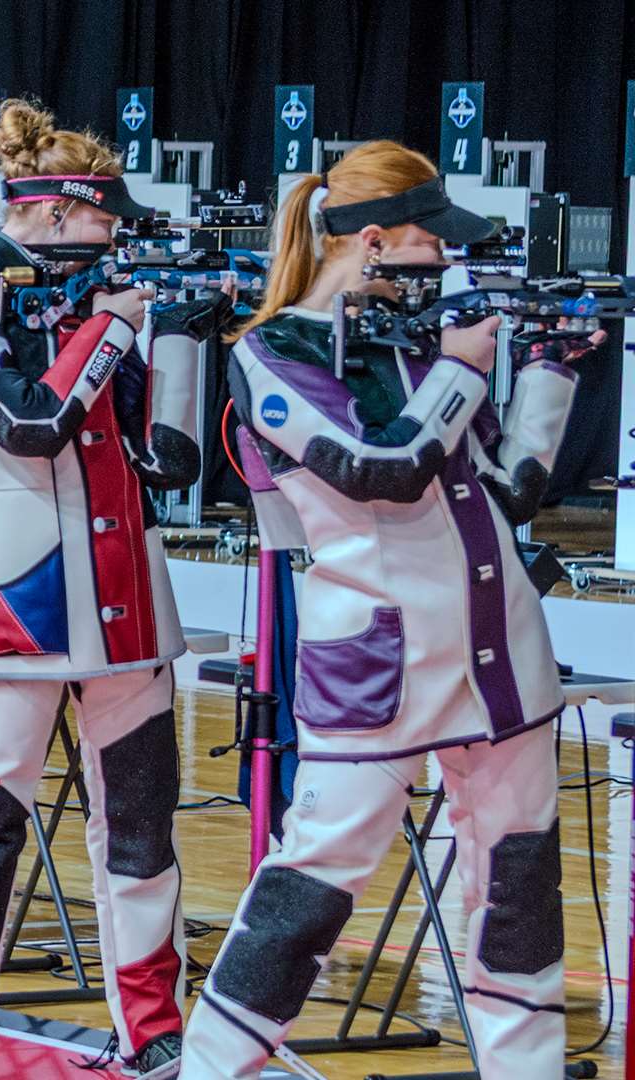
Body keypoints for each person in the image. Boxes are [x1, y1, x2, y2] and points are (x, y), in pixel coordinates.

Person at [178, 141, 588, 1078]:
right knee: (309, 892)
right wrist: (462, 370)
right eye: (431, 241)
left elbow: (508, 491)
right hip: (378, 669)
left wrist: (552, 368)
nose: (444, 260)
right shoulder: (271, 352)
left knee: (519, 891)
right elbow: (380, 470)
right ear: (373, 241)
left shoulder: (416, 344)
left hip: (501, 654)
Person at [0, 99, 228, 1080]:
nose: (115, 241)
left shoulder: (96, 301)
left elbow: (168, 461)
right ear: (49, 212)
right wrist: (114, 325)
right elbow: (29, 422)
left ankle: (152, 1028)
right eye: (103, 222)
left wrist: (181, 335)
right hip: (15, 594)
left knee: (142, 824)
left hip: (128, 597)